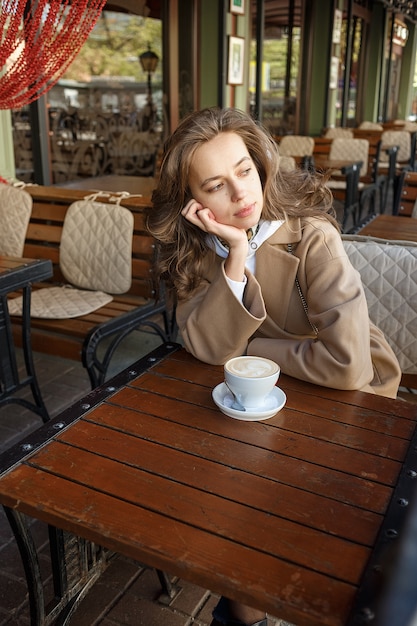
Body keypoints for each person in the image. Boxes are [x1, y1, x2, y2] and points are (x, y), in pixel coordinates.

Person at [147, 107, 401, 626]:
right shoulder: (196, 249)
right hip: (259, 404)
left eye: (244, 170)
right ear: (193, 201)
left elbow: (347, 365)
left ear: (261, 163)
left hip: (346, 401)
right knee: (229, 508)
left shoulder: (312, 235)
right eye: (216, 184)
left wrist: (250, 353)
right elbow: (202, 344)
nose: (241, 195)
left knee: (276, 518)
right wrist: (236, 258)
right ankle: (245, 613)